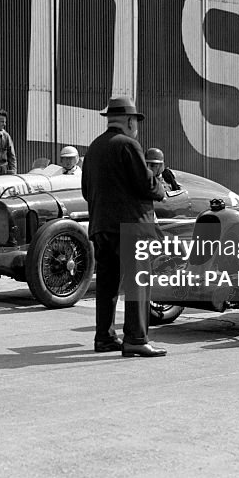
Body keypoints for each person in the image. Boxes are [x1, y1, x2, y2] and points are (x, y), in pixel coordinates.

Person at [82, 96, 167, 358]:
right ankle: (136, 338)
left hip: (101, 226)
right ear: (130, 122)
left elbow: (86, 190)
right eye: (136, 122)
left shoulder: (95, 147)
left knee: (107, 284)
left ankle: (105, 337)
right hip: (131, 226)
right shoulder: (129, 145)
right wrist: (160, 188)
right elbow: (146, 184)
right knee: (138, 282)